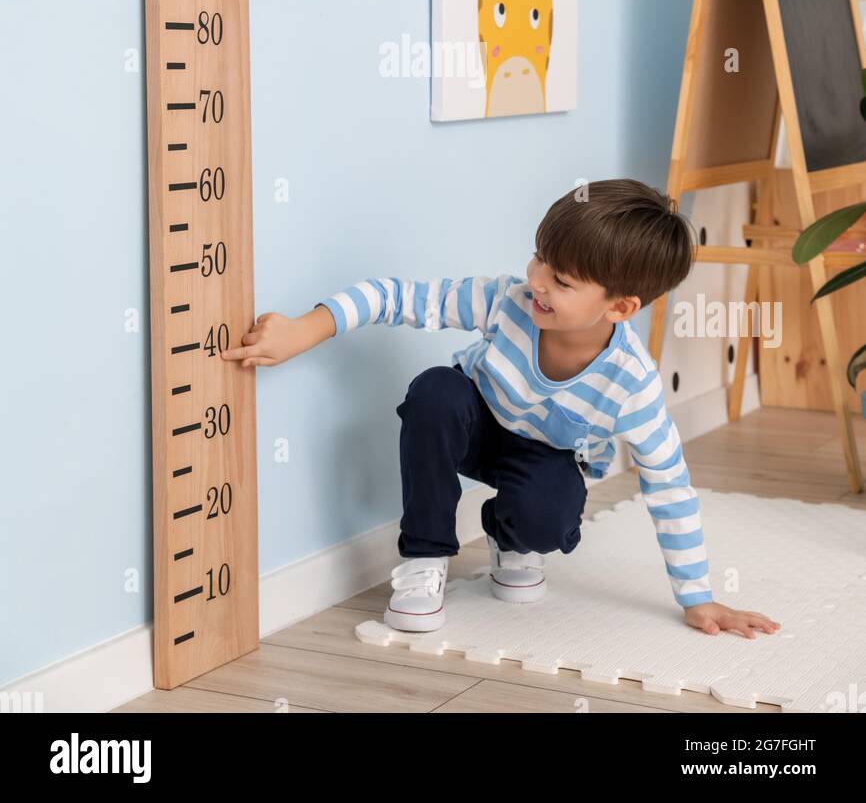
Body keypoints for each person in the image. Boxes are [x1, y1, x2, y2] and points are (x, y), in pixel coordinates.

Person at [223, 179, 781, 640]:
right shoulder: (505, 302)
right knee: (436, 391)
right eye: (540, 258)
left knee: (550, 509)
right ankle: (423, 561)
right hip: (473, 425)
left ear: (619, 307)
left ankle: (510, 536)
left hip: (542, 456)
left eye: (560, 280)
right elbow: (396, 296)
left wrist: (698, 597)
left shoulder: (631, 383)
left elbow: (669, 485)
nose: (536, 280)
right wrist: (304, 330)